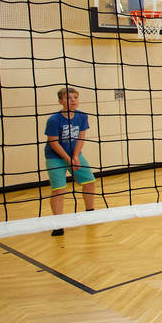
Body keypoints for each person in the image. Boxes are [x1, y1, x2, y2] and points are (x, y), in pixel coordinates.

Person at [44, 86, 96, 236]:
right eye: (68, 98)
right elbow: (53, 142)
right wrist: (68, 160)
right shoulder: (54, 120)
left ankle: (90, 214)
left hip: (74, 154)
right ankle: (58, 224)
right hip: (55, 156)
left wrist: (75, 157)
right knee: (59, 189)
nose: (73, 100)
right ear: (60, 101)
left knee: (89, 181)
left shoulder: (82, 116)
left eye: (75, 97)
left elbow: (81, 138)